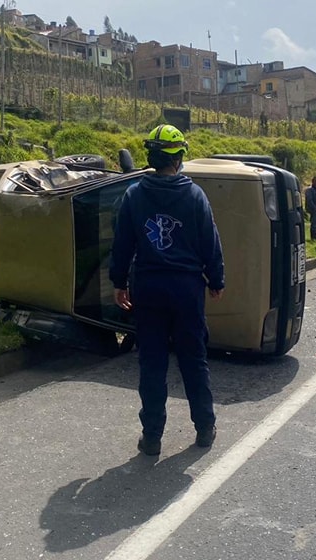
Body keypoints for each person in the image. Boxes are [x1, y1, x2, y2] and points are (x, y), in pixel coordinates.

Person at [109, 124, 225, 457]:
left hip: (148, 286)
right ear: (178, 158)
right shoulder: (194, 195)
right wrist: (216, 280)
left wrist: (119, 283)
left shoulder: (134, 194)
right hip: (187, 288)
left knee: (152, 362)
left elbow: (122, 244)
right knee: (193, 358)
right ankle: (204, 427)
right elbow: (210, 241)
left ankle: (152, 436)